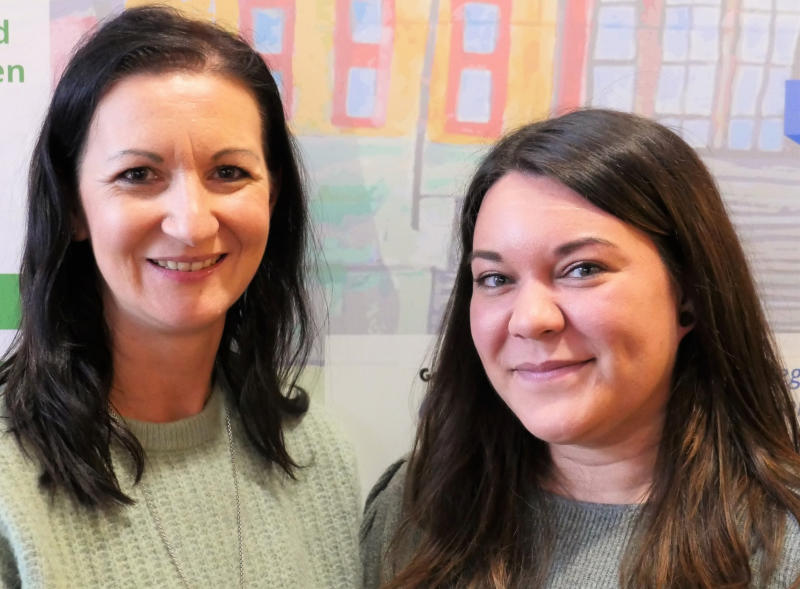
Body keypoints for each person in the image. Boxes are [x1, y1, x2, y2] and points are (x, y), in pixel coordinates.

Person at [361, 109, 800, 588]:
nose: (530, 319)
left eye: (583, 269)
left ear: (689, 292)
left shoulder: (785, 548)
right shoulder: (415, 511)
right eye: (496, 278)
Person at [0, 6, 360, 588]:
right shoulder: (8, 487)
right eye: (139, 175)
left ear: (272, 196)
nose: (192, 224)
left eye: (229, 173)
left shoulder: (321, 458)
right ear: (73, 207)